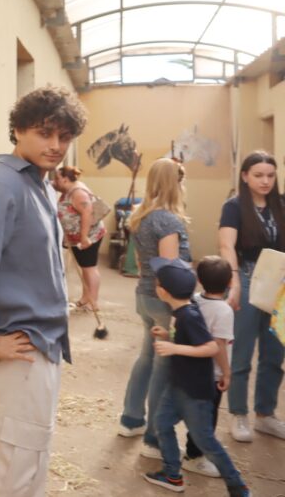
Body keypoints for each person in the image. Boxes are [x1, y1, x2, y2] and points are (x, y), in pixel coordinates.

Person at [0, 85, 87, 497]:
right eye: (45, 133)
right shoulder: (4, 185)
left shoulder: (38, 182)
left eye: (64, 137)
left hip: (38, 349)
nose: (56, 145)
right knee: (10, 480)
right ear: (19, 130)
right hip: (15, 354)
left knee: (27, 468)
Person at [144, 257, 250, 497]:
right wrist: (168, 336)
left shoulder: (190, 314)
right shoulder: (183, 311)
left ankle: (237, 485)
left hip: (195, 391)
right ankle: (172, 474)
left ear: (162, 291)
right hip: (179, 383)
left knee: (205, 441)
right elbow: (190, 339)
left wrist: (174, 349)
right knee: (162, 424)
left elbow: (212, 347)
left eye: (157, 282)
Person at [118, 158, 191, 458]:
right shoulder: (168, 221)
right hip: (164, 300)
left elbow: (141, 263)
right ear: (175, 183)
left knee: (147, 356)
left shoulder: (140, 216)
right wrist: (179, 306)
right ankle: (154, 438)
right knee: (164, 364)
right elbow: (169, 269)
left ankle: (131, 419)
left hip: (144, 296)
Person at [220, 150, 285, 442]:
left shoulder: (281, 205)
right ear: (245, 176)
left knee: (274, 352)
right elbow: (226, 245)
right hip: (245, 279)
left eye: (270, 175)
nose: (265, 181)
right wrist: (233, 280)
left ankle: (265, 414)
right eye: (258, 175)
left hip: (279, 285)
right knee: (243, 352)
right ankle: (238, 414)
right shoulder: (234, 207)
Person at [181, 256, 235, 479]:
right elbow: (219, 345)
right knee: (207, 417)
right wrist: (226, 372)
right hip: (211, 374)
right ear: (230, 282)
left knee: (195, 412)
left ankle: (193, 449)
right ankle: (194, 457)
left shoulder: (193, 300)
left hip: (189, 368)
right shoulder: (223, 311)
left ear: (199, 281)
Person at [53, 165, 108, 338]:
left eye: (56, 178)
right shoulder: (68, 190)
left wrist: (84, 237)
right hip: (76, 239)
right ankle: (86, 298)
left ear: (65, 179)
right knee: (85, 267)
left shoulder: (78, 193)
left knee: (89, 267)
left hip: (89, 237)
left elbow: (87, 213)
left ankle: (94, 301)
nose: (55, 181)